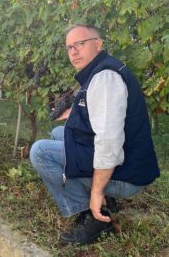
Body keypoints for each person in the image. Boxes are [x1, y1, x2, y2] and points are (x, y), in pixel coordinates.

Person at [30, 24, 160, 245]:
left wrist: (97, 191)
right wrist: (75, 114)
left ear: (98, 44)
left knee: (40, 152)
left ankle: (95, 216)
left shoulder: (105, 79)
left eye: (80, 44)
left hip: (126, 174)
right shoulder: (100, 71)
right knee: (59, 133)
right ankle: (103, 199)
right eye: (69, 47)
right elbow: (98, 114)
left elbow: (109, 143)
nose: (73, 51)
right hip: (127, 159)